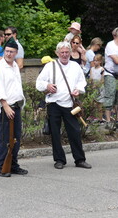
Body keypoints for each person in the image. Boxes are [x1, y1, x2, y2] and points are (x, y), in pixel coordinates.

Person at [36, 41, 92, 170]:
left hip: (70, 104)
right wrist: (47, 86)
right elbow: (39, 82)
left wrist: (78, 90)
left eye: (67, 52)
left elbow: (81, 82)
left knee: (75, 132)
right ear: (57, 53)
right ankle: (59, 160)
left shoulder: (75, 66)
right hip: (53, 103)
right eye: (62, 52)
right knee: (55, 133)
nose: (65, 55)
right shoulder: (50, 66)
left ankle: (80, 159)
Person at [0, 37, 28, 177]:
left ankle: (13, 164)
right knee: (4, 138)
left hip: (16, 106)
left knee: (15, 138)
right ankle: (1, 167)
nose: (8, 54)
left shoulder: (14, 67)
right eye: (6, 51)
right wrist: (5, 105)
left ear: (16, 53)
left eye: (12, 52)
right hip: (5, 107)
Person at [103, 28, 118, 130]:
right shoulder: (110, 45)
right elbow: (116, 60)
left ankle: (117, 121)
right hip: (110, 74)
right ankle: (108, 121)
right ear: (115, 35)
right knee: (110, 96)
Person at [89, 54, 105, 121]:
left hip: (99, 88)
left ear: (100, 61)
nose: (95, 62)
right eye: (94, 60)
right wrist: (91, 84)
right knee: (92, 103)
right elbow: (91, 78)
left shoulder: (102, 69)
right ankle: (93, 117)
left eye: (96, 61)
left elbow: (102, 80)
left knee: (99, 104)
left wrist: (97, 85)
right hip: (93, 88)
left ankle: (100, 118)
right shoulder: (92, 69)